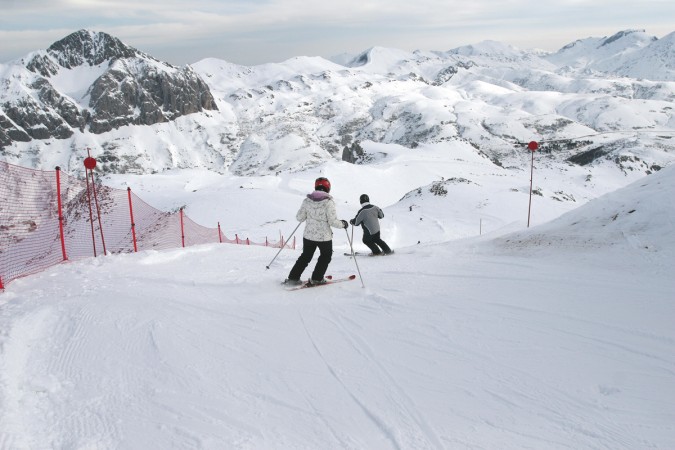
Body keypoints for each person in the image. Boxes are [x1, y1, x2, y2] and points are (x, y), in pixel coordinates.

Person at [284, 177, 348, 286]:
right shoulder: (328, 202)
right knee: (325, 256)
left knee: (305, 256)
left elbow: (300, 218)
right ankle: (317, 278)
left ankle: (293, 278)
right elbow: (332, 222)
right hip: (324, 237)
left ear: (316, 186)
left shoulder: (307, 201)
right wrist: (343, 224)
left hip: (308, 236)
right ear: (328, 188)